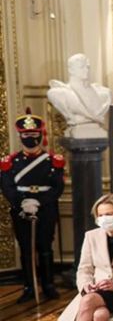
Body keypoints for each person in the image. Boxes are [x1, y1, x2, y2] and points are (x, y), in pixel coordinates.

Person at [0, 110, 65, 302]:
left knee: (45, 247)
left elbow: (57, 187)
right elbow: (7, 186)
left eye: (33, 135)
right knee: (26, 248)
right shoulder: (10, 162)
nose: (30, 138)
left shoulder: (53, 161)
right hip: (21, 210)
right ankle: (29, 286)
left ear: (41, 135)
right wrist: (23, 202)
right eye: (26, 135)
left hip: (45, 210)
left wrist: (39, 201)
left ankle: (48, 285)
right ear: (20, 136)